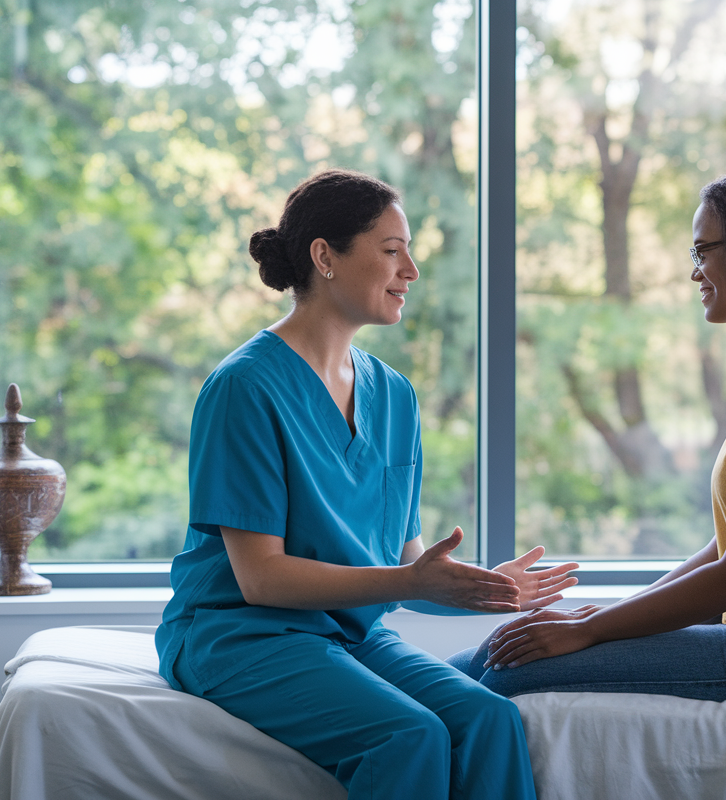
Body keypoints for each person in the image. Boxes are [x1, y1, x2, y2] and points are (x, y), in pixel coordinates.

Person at [155, 169, 577, 800]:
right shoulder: (244, 388)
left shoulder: (395, 396)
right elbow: (261, 578)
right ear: (325, 257)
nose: (411, 270)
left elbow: (405, 563)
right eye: (391, 250)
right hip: (238, 635)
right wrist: (411, 581)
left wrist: (482, 588)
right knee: (407, 735)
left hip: (349, 633)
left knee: (490, 719)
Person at [448, 159, 726, 702]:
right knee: (473, 662)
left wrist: (591, 629)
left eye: (702, 251)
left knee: (507, 674)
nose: (694, 272)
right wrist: (616, 615)